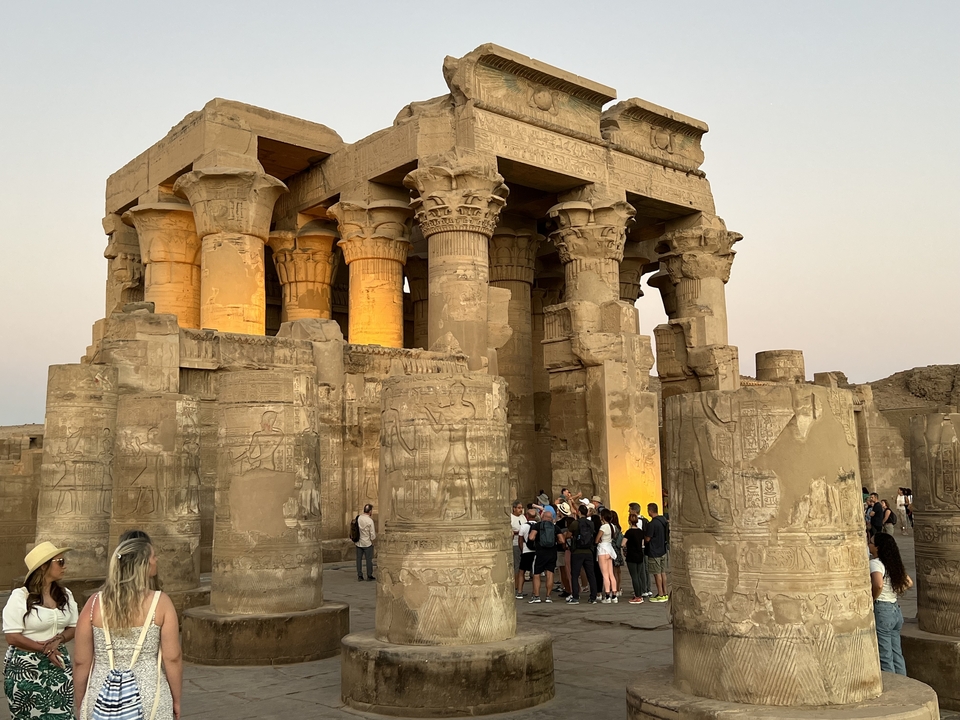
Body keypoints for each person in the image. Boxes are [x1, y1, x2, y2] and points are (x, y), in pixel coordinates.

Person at [73, 537, 182, 720]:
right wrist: (176, 700)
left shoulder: (94, 604)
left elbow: (80, 661)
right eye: (153, 557)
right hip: (149, 695)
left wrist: (81, 701)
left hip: (101, 697)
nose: (157, 560)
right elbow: (172, 658)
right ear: (143, 564)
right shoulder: (160, 603)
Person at [3, 542, 78, 720]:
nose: (64, 565)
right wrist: (44, 649)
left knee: (62, 713)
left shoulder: (65, 594)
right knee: (28, 715)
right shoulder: (21, 596)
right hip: (25, 666)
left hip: (57, 664)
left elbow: (74, 627)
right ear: (44, 566)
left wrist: (58, 639)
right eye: (60, 561)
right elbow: (12, 637)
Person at [869, 533, 913, 675]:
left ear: (877, 547)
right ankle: (904, 683)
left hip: (883, 609)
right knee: (896, 653)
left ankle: (893, 685)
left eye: (871, 542)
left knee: (886, 655)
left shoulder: (875, 563)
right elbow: (909, 583)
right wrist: (893, 591)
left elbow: (878, 584)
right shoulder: (893, 564)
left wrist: (873, 598)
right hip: (895, 609)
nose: (868, 544)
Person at [565, 504, 598, 604]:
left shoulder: (575, 523)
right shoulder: (591, 523)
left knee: (575, 574)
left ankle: (575, 596)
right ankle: (593, 597)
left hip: (577, 551)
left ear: (579, 512)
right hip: (588, 551)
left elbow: (568, 535)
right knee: (591, 574)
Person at [527, 509, 560, 603]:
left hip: (540, 552)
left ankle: (537, 596)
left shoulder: (537, 525)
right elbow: (561, 539)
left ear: (542, 517)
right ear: (551, 519)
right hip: (552, 553)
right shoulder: (555, 527)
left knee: (537, 574)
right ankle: (548, 596)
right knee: (550, 573)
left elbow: (531, 537)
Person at [646, 503, 669, 602]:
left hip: (654, 551)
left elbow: (647, 538)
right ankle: (665, 592)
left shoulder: (652, 524)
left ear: (650, 511)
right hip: (663, 549)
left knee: (657, 573)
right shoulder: (663, 520)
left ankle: (660, 593)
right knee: (663, 572)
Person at [623, 513, 649, 603]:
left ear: (629, 521)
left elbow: (623, 543)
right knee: (638, 575)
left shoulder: (629, 532)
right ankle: (640, 593)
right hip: (639, 555)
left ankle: (637, 596)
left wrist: (625, 547)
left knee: (634, 576)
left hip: (631, 555)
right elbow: (642, 543)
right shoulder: (641, 532)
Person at [595, 510, 619, 603]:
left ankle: (607, 595)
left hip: (602, 550)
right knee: (611, 574)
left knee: (605, 575)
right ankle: (614, 595)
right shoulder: (612, 526)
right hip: (609, 549)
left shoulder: (603, 527)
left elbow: (597, 539)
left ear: (603, 517)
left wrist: (599, 540)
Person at [516, 508, 538, 598]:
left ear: (527, 516)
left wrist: (522, 550)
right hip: (536, 551)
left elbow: (520, 540)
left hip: (526, 550)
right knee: (536, 573)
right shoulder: (539, 525)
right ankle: (535, 592)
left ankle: (520, 592)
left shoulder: (524, 526)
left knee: (522, 571)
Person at [554, 501, 574, 597]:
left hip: (561, 549)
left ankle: (568, 589)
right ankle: (572, 588)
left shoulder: (558, 523)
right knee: (571, 570)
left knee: (563, 570)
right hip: (572, 549)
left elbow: (557, 536)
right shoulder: (572, 520)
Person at [355, 504, 376, 581]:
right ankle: (369, 575)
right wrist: (373, 540)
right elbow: (372, 533)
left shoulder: (359, 518)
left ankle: (360, 575)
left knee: (358, 559)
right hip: (367, 543)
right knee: (368, 560)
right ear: (370, 511)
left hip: (359, 542)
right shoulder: (370, 521)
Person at [510, 500, 526, 595]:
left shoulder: (523, 517)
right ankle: (516, 585)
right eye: (519, 508)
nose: (520, 510)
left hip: (524, 543)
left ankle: (519, 585)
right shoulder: (511, 518)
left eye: (521, 508)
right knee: (517, 565)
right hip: (515, 542)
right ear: (514, 508)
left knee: (521, 566)